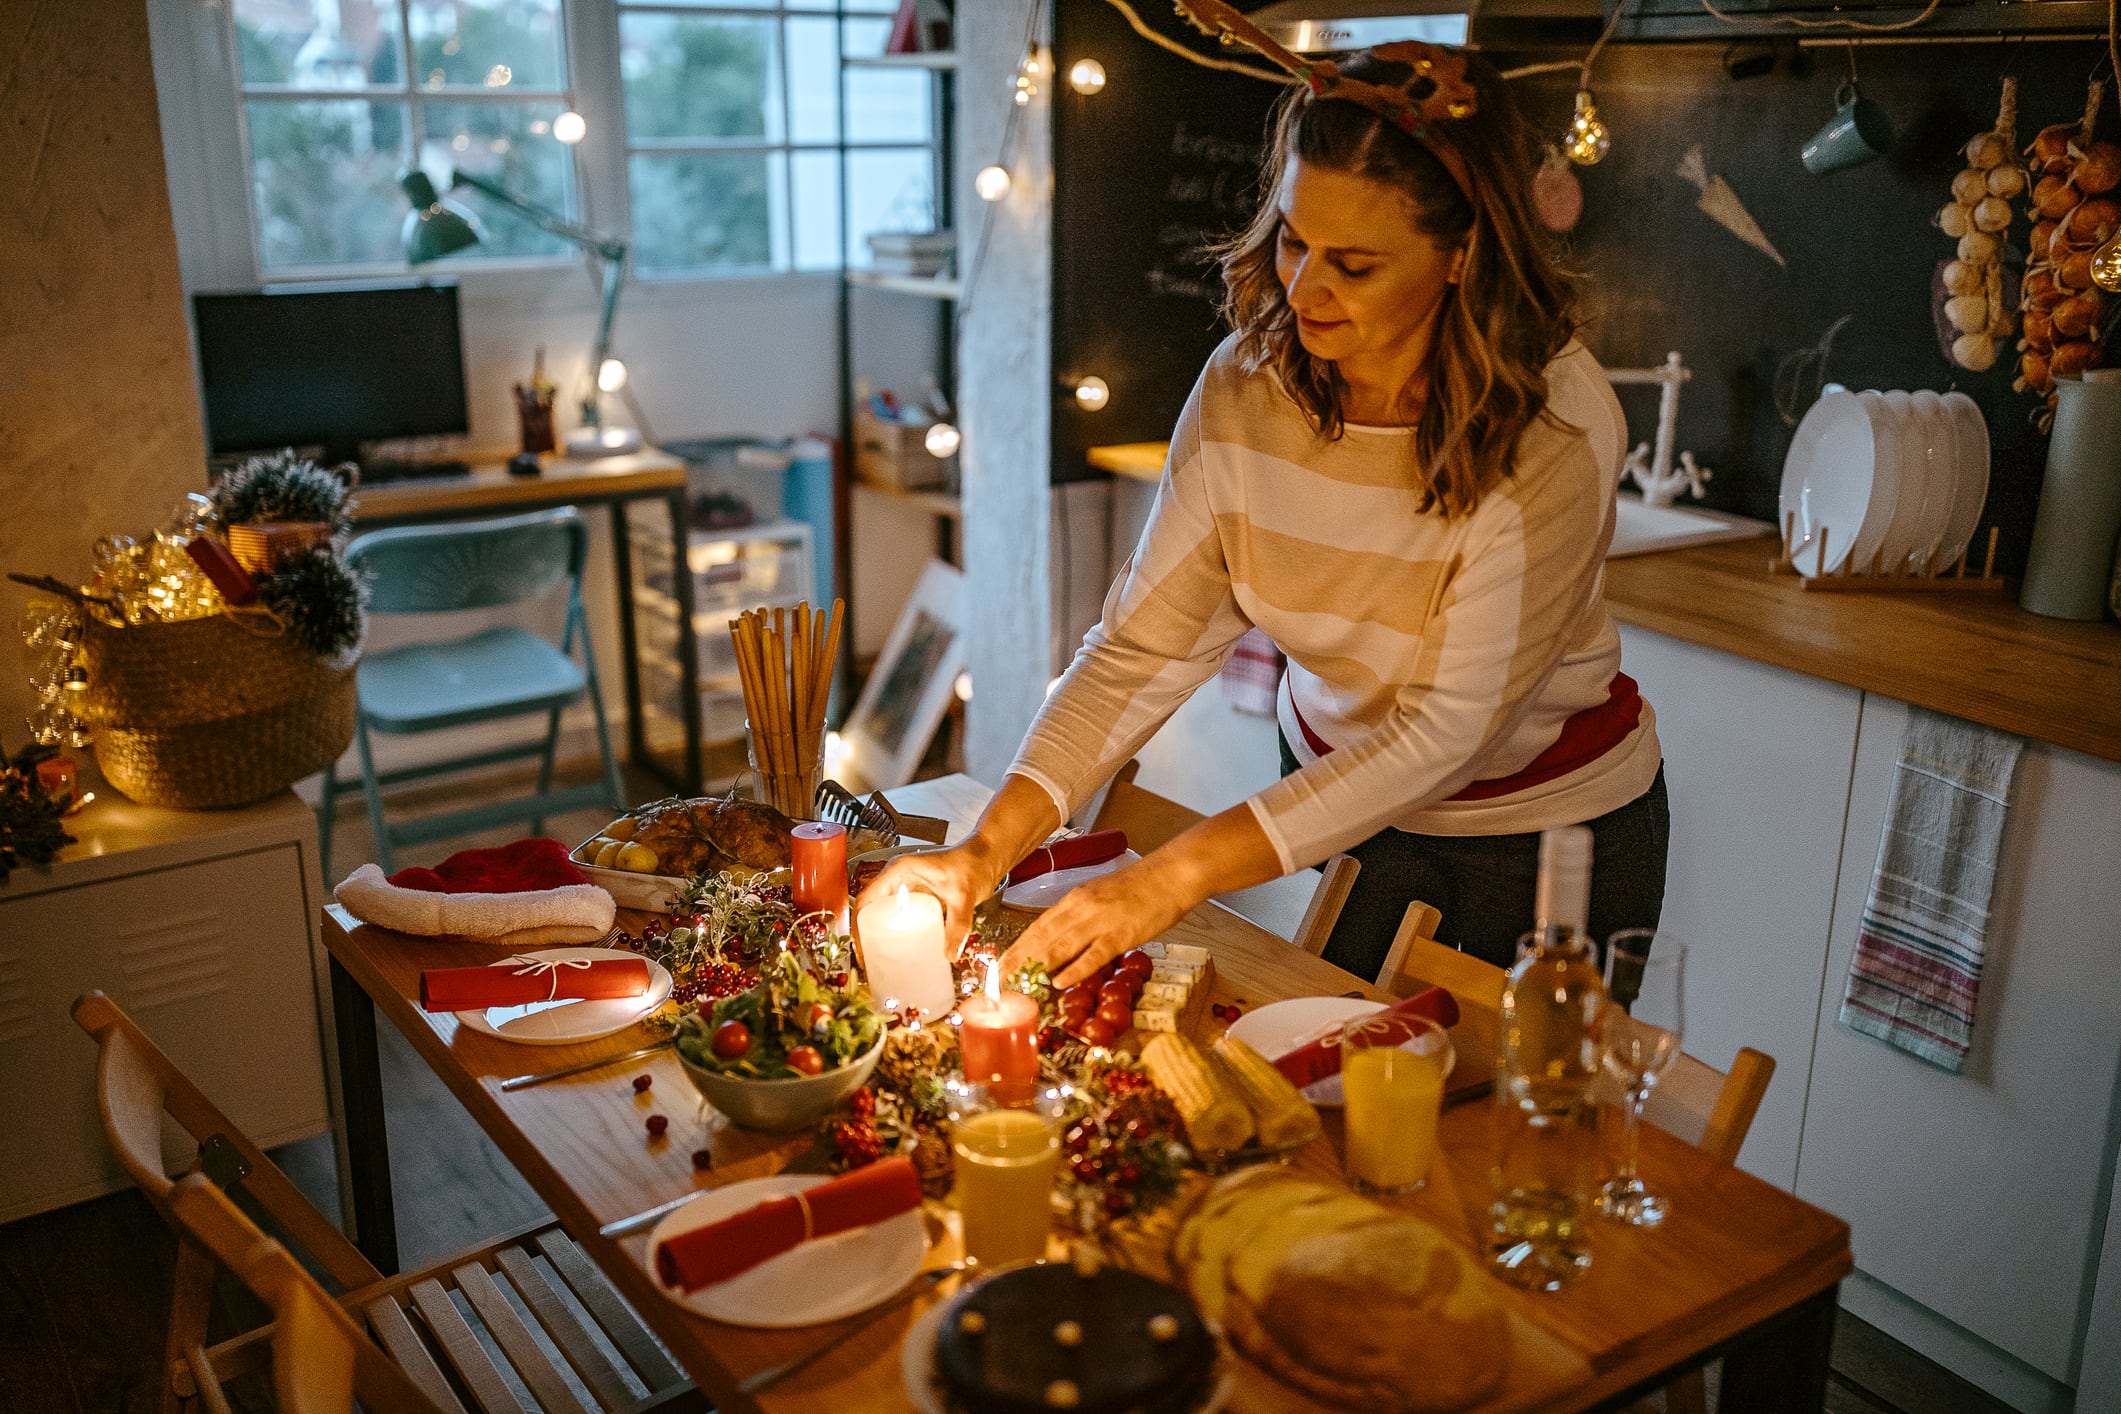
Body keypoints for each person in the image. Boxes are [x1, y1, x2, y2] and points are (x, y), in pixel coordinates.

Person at [863, 41, 1667, 991]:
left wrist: (1168, 880)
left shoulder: (1553, 433)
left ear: (1461, 257)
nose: (1303, 289)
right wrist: (982, 852)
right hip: (1338, 794)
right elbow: (1140, 651)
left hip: (1538, 837)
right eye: (1293, 239)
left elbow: (1442, 734)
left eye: (1356, 265)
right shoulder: (1246, 390)